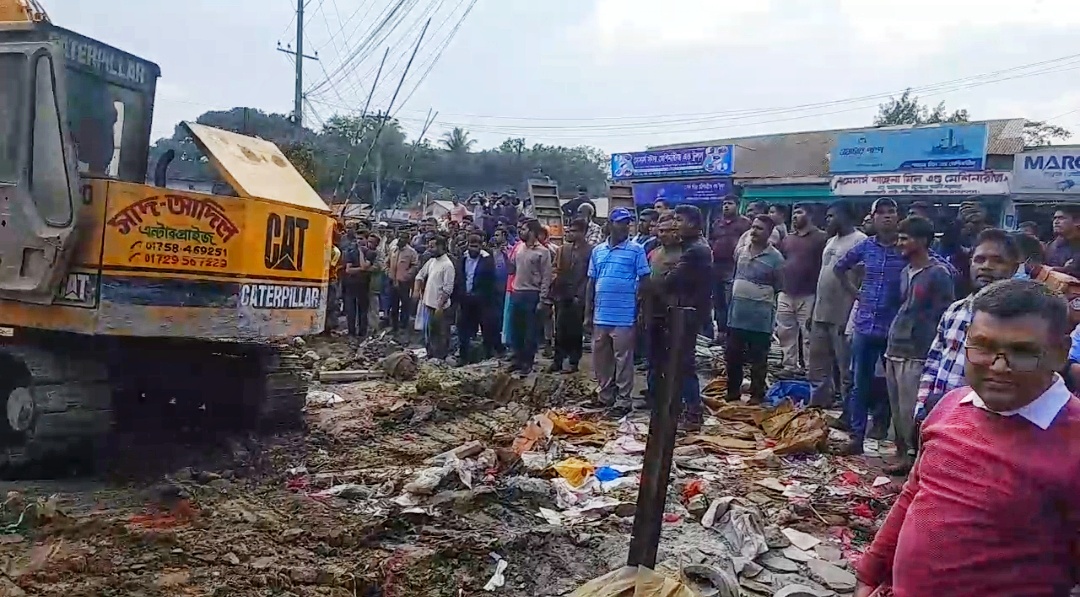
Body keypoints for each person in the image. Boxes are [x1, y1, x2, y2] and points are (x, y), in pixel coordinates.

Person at [854, 278, 1080, 597]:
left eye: (1022, 352)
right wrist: (871, 570)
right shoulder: (951, 406)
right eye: (983, 347)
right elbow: (914, 494)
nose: (999, 367)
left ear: (1060, 353)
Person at [915, 229, 1020, 425]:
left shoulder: (1019, 320)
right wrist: (922, 408)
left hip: (983, 422)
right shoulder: (956, 310)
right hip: (940, 415)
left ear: (1013, 268)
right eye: (979, 259)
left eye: (997, 261)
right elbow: (933, 362)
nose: (986, 267)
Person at [883, 216, 955, 475]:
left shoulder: (939, 274)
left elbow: (943, 314)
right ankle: (902, 453)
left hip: (918, 351)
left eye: (905, 238)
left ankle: (916, 460)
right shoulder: (905, 271)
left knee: (911, 409)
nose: (899, 243)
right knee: (896, 407)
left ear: (923, 241)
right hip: (895, 346)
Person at [833, 198, 904, 454]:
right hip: (865, 324)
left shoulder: (905, 248)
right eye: (881, 212)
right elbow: (839, 268)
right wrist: (856, 294)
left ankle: (900, 443)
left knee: (896, 387)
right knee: (858, 383)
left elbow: (941, 266)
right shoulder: (866, 247)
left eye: (891, 211)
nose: (886, 216)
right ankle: (856, 437)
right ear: (872, 218)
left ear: (898, 217)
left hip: (895, 328)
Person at [586, 207, 651, 414]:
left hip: (624, 314)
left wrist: (640, 309)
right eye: (620, 222)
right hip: (601, 314)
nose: (625, 226)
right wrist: (588, 313)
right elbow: (591, 281)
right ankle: (605, 394)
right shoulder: (598, 251)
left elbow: (644, 280)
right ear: (610, 225)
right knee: (601, 357)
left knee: (623, 358)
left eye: (627, 222)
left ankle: (623, 400)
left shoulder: (636, 250)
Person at [659, 205, 713, 430]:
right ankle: (684, 408)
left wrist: (663, 276)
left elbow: (672, 280)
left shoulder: (695, 250)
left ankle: (692, 412)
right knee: (680, 362)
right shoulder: (693, 246)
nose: (675, 224)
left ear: (692, 223)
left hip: (688, 312)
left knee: (684, 363)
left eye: (679, 220)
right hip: (687, 309)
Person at [808, 201, 866, 408]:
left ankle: (848, 411)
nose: (828, 220)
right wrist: (813, 310)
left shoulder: (860, 241)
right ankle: (818, 404)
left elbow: (861, 281)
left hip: (843, 315)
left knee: (845, 368)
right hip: (821, 312)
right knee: (816, 365)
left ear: (845, 216)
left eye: (832, 216)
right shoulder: (830, 241)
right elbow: (822, 277)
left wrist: (851, 317)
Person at [726, 214, 784, 405]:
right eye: (753, 227)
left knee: (758, 359)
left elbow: (779, 284)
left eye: (759, 228)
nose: (754, 231)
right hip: (737, 315)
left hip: (760, 318)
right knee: (733, 356)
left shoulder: (775, 258)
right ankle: (732, 393)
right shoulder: (741, 251)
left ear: (769, 233)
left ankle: (757, 395)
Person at [775, 203, 828, 375]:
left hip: (809, 293)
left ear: (810, 215)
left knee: (809, 335)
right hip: (786, 291)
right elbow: (783, 260)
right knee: (785, 332)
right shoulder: (788, 239)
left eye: (799, 212)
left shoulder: (821, 238)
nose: (795, 216)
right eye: (794, 213)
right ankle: (789, 366)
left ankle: (809, 369)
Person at [507, 220, 552, 374]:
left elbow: (547, 277)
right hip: (517, 292)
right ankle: (517, 359)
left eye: (524, 229)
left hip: (532, 294)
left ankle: (527, 362)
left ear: (532, 232)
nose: (521, 232)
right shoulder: (519, 248)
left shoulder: (543, 252)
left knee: (529, 331)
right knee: (516, 329)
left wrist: (543, 299)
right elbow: (512, 268)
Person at [549, 218, 592, 373]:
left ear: (583, 233)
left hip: (579, 296)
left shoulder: (590, 251)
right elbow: (555, 269)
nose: (569, 233)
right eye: (569, 230)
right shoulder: (563, 249)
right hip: (562, 295)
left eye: (573, 231)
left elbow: (589, 277)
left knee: (575, 331)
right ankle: (557, 361)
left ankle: (574, 362)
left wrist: (580, 296)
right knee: (559, 329)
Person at [709, 195, 751, 342]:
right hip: (717, 266)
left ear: (738, 205)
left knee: (731, 301)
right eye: (724, 203)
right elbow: (712, 241)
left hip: (733, 266)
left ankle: (733, 334)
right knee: (718, 301)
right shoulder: (717, 223)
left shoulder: (745, 223)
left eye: (730, 203)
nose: (726, 206)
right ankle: (721, 332)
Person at [454, 233, 498, 365]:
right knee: (463, 328)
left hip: (482, 300)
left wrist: (481, 295)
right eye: (471, 246)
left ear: (481, 246)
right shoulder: (463, 258)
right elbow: (460, 277)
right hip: (466, 299)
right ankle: (464, 355)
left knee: (486, 327)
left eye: (476, 246)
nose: (473, 249)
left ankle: (487, 354)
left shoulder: (487, 260)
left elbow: (491, 281)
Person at [413, 235, 455, 360]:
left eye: (432, 246)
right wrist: (416, 291)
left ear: (441, 247)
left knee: (440, 335)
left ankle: (440, 359)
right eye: (429, 246)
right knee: (429, 334)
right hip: (428, 304)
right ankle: (430, 356)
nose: (429, 249)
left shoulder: (447, 265)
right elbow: (420, 275)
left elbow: (448, 289)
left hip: (439, 307)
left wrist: (439, 306)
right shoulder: (432, 261)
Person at [342, 232, 379, 338]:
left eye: (361, 238)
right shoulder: (351, 252)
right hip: (351, 284)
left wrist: (361, 253)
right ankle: (351, 332)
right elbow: (349, 270)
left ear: (366, 240)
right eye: (357, 238)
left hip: (364, 285)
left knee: (363, 310)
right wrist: (361, 269)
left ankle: (362, 333)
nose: (359, 241)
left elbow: (364, 266)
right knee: (351, 310)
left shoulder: (371, 253)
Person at [386, 229, 419, 333]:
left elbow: (415, 265)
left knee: (405, 304)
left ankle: (404, 325)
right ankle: (394, 326)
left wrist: (407, 275)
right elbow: (386, 262)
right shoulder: (393, 249)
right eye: (400, 237)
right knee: (393, 304)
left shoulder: (411, 252)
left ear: (408, 239)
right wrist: (388, 272)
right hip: (392, 280)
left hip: (404, 282)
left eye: (404, 237)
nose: (401, 239)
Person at [1046, 203, 1080, 278]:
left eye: (1061, 218)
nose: (1056, 222)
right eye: (1055, 218)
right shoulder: (1052, 245)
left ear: (1077, 221)